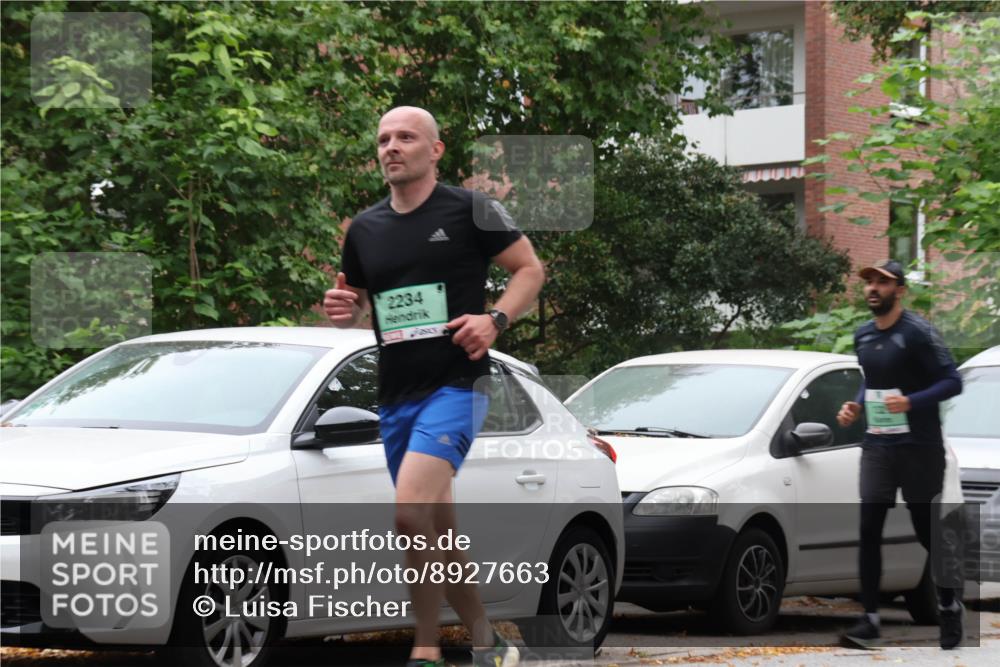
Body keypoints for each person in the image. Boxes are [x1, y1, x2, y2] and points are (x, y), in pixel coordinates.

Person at [323, 106, 544, 667]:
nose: (391, 147)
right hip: (396, 393)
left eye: (405, 137)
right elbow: (355, 308)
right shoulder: (365, 229)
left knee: (407, 515)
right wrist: (341, 309)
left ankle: (425, 648)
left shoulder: (469, 209)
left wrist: (494, 320)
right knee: (437, 532)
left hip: (457, 384)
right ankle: (485, 639)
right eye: (383, 139)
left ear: (435, 150)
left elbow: (530, 271)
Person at [836, 259, 965, 649]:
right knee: (868, 526)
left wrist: (911, 401)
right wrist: (856, 406)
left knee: (926, 528)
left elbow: (952, 382)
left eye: (883, 282)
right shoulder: (862, 336)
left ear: (900, 290)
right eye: (869, 282)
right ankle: (870, 620)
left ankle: (948, 603)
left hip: (920, 448)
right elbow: (871, 383)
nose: (873, 287)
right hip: (878, 444)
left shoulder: (919, 333)